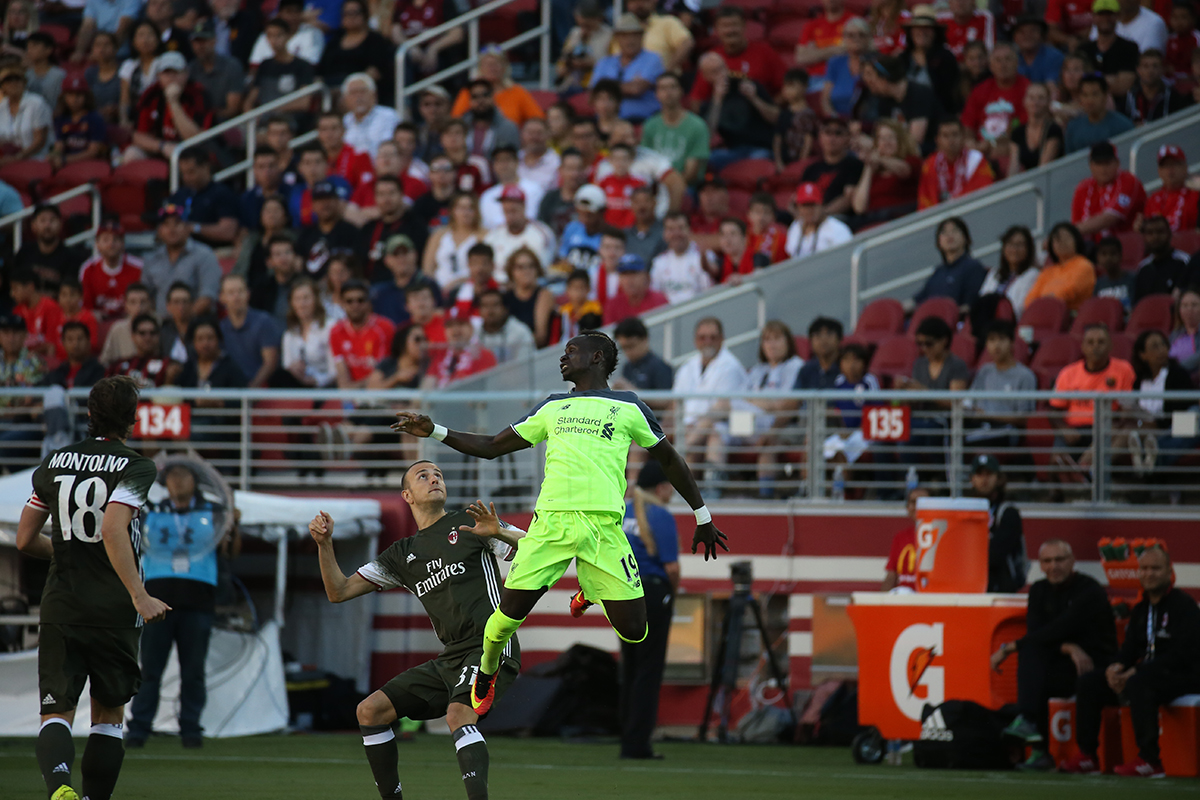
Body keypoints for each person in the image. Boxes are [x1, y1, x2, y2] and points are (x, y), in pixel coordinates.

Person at [393, 328, 726, 715]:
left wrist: (702, 516)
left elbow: (670, 459)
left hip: (603, 530)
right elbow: (490, 448)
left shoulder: (629, 406)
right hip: (550, 525)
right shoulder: (551, 407)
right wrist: (433, 430)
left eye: (571, 351)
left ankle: (590, 586)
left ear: (597, 357)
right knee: (503, 622)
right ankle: (486, 672)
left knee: (636, 632)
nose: (562, 358)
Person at [309, 468, 526, 800]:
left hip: (491, 646)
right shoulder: (402, 554)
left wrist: (500, 531)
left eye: (438, 474)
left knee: (458, 714)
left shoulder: (471, 523)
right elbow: (338, 591)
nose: (434, 478)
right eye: (422, 476)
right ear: (407, 496)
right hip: (451, 656)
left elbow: (538, 548)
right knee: (369, 711)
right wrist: (325, 545)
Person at [15, 376, 165, 800]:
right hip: (115, 609)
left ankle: (60, 787)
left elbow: (25, 539)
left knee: (56, 712)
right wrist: (140, 594)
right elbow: (114, 529)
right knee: (109, 715)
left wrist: (65, 550)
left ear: (88, 413)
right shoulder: (137, 466)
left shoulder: (55, 463)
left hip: (63, 603)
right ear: (132, 419)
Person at [1060, 545, 1200, 778]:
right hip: (1145, 674)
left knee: (1139, 683)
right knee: (1090, 682)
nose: (1149, 573)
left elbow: (1182, 654)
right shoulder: (1141, 609)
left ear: (1169, 571)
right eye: (1144, 568)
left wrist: (1134, 671)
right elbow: (1129, 649)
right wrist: (1116, 668)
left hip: (1183, 676)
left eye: (1155, 568)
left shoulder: (1184, 606)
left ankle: (1149, 760)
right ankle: (1087, 756)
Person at [990, 540, 1117, 770]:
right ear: (1040, 565)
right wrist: (1067, 648)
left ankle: (1081, 752)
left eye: (1060, 560)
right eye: (1047, 561)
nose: (1054, 566)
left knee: (1035, 653)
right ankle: (1039, 749)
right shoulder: (1038, 590)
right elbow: (1038, 633)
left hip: (1095, 663)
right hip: (1065, 663)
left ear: (1072, 561)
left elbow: (1061, 627)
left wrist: (1009, 648)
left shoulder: (1090, 590)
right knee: (1035, 660)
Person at [127, 462, 226, 749]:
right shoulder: (150, 512)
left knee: (193, 671)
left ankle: (191, 729)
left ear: (195, 481)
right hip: (156, 600)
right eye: (173, 477)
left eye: (184, 476)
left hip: (198, 600)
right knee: (149, 671)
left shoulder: (215, 512)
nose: (178, 482)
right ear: (164, 482)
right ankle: (138, 729)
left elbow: (228, 550)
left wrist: (234, 528)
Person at [618, 460, 680, 760]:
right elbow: (671, 567)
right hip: (654, 593)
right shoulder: (661, 516)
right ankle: (638, 742)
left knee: (629, 668)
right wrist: (674, 595)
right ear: (661, 487)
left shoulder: (621, 514)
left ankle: (626, 735)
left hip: (623, 594)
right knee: (648, 671)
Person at [1049, 323, 1136, 473]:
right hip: (1074, 429)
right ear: (1082, 347)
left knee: (1125, 430)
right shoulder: (1068, 373)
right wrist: (1065, 429)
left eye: (1101, 342)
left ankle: (1084, 469)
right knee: (1055, 463)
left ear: (1110, 346)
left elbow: (1126, 409)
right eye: (1090, 342)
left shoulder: (1123, 370)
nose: (1095, 347)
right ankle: (1065, 487)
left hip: (1106, 427)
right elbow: (1053, 410)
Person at [673, 317, 750, 486]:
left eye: (713, 337)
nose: (708, 341)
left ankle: (709, 486)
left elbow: (721, 410)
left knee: (712, 434)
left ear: (722, 339)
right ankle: (686, 498)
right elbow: (676, 404)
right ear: (695, 341)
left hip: (736, 425)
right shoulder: (688, 366)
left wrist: (693, 429)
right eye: (703, 337)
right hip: (693, 428)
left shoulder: (731, 366)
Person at [125, 52, 213, 164]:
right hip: (160, 147)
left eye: (176, 72)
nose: (171, 77)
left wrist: (173, 102)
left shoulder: (198, 95)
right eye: (166, 73)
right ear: (159, 76)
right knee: (132, 153)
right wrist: (162, 146)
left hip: (190, 151)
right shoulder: (151, 94)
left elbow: (196, 139)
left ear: (186, 74)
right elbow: (137, 136)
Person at [142, 203, 223, 317]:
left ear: (187, 227)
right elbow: (145, 296)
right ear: (159, 230)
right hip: (160, 327)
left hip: (195, 325)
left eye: (177, 223)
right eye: (166, 224)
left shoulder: (204, 255)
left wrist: (182, 323)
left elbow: (208, 297)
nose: (171, 229)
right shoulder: (151, 259)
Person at [317, 0, 395, 107]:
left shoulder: (375, 40)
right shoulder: (334, 42)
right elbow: (320, 72)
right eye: (347, 13)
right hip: (331, 91)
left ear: (365, 14)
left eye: (355, 12)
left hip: (359, 90)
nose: (351, 17)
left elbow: (375, 71)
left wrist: (348, 90)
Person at [968, 455, 1028, 593]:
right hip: (973, 587)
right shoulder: (966, 511)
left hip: (1003, 589)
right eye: (979, 474)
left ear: (999, 478)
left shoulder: (1008, 512)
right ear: (972, 479)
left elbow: (995, 555)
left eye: (989, 474)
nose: (984, 479)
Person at [591, 14, 664, 123]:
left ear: (641, 37)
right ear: (617, 38)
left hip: (641, 120)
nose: (630, 40)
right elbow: (593, 92)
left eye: (635, 35)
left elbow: (636, 89)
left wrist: (606, 87)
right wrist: (627, 85)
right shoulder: (605, 62)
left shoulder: (652, 59)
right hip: (606, 121)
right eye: (624, 36)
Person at [968, 320, 1038, 434]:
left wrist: (989, 416)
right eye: (991, 340)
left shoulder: (1025, 376)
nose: (996, 345)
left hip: (1007, 430)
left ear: (1012, 343)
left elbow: (1025, 419)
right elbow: (972, 404)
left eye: (1001, 339)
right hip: (980, 426)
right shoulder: (984, 371)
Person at [850, 119, 922, 228]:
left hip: (901, 221)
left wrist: (878, 157)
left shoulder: (911, 160)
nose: (886, 142)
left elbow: (903, 170)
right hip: (873, 223)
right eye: (882, 138)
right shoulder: (874, 170)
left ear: (900, 140)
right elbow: (859, 207)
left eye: (891, 137)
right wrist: (869, 166)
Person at [1072, 142, 1147, 244]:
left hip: (1125, 245)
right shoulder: (1082, 188)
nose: (1103, 169)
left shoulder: (1128, 181)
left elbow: (1110, 218)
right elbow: (1076, 222)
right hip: (1091, 247)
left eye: (1107, 163)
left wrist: (1068, 232)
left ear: (1117, 163)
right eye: (1098, 163)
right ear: (1091, 165)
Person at [642, 72, 709, 186]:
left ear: (681, 91)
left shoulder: (697, 125)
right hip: (656, 186)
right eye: (663, 88)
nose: (668, 92)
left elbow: (691, 173)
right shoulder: (650, 125)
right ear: (656, 94)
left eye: (673, 87)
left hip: (687, 187)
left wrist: (672, 187)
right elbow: (646, 162)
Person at [960, 42, 1030, 152]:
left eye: (1008, 59)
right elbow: (968, 126)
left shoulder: (1027, 88)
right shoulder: (979, 90)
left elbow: (1025, 128)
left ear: (1017, 63)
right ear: (991, 66)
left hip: (1012, 148)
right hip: (981, 149)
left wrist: (993, 145)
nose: (1003, 65)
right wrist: (971, 143)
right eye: (998, 60)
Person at [243, 17, 318, 119]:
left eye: (278, 35)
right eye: (270, 35)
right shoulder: (265, 65)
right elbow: (251, 99)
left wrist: (270, 110)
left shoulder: (302, 66)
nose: (274, 40)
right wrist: (251, 115)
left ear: (288, 36)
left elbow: (304, 103)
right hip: (264, 122)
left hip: (290, 121)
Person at [217, 275, 281, 389]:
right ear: (222, 297)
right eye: (231, 292)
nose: (236, 296)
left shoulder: (263, 321)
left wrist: (251, 388)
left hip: (260, 390)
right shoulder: (219, 328)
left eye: (240, 291)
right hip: (230, 391)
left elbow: (270, 362)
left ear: (248, 294)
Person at [331, 279, 396, 390]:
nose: (355, 305)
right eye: (349, 301)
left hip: (381, 390)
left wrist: (352, 389)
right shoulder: (336, 331)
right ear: (342, 304)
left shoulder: (385, 327)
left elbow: (384, 372)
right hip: (351, 394)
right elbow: (342, 373)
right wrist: (348, 390)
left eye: (360, 300)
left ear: (368, 302)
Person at [917, 117, 995, 209]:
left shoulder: (976, 160)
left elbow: (984, 192)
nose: (951, 140)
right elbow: (925, 201)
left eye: (955, 135)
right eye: (945, 136)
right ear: (937, 140)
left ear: (963, 137)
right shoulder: (930, 164)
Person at [168, 150, 241, 248]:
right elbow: (167, 222)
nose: (186, 178)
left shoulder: (222, 193)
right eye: (183, 173)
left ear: (206, 167)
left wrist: (194, 228)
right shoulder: (179, 194)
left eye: (191, 172)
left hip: (213, 252)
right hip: (181, 252)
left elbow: (228, 232)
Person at [297, 180, 368, 279]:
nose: (325, 204)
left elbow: (358, 265)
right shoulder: (306, 234)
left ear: (338, 202)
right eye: (320, 200)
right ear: (312, 205)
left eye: (329, 199)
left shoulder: (351, 232)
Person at [912, 217, 987, 310]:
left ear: (966, 238)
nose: (949, 235)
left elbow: (971, 306)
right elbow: (917, 301)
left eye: (954, 230)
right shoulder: (938, 272)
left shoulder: (973, 267)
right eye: (944, 232)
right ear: (938, 242)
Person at [13, 204, 87, 292]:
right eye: (42, 220)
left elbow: (72, 295)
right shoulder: (24, 253)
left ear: (60, 224)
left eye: (52, 220)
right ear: (33, 225)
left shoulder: (73, 257)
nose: (47, 225)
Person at [1026, 222, 1097, 313]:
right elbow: (1029, 300)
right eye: (1057, 239)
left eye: (1066, 238)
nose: (1062, 242)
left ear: (1076, 240)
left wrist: (1045, 301)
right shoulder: (1048, 271)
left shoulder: (1084, 265)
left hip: (1072, 317)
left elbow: (1069, 292)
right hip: (1045, 314)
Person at [484, 185, 556, 272]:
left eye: (513, 210)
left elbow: (542, 269)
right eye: (506, 211)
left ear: (523, 207)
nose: (509, 216)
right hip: (497, 284)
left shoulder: (541, 233)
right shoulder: (493, 235)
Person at [801, 118, 863, 218]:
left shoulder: (855, 165)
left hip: (839, 220)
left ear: (848, 138)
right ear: (820, 137)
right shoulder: (811, 169)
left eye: (838, 133)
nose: (832, 138)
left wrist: (822, 215)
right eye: (827, 132)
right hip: (811, 220)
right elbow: (799, 199)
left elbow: (848, 199)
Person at [425, 191, 485, 293]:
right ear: (453, 211)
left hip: (470, 290)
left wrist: (458, 283)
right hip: (439, 291)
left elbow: (484, 269)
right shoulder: (439, 235)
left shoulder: (483, 236)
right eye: (461, 208)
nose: (465, 213)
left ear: (476, 211)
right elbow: (428, 269)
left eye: (470, 208)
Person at [186, 20, 243, 124]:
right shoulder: (189, 69)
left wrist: (206, 117)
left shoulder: (231, 66)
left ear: (214, 41)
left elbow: (232, 110)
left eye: (203, 41)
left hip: (227, 125)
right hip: (197, 124)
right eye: (196, 42)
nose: (199, 46)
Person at [1081, 0, 1140, 97]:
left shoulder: (1129, 48)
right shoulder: (1084, 49)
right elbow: (1077, 83)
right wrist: (1112, 79)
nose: (1105, 18)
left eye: (1109, 14)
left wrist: (1091, 78)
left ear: (1118, 16)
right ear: (1094, 17)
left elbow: (1124, 86)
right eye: (1101, 14)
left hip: (1121, 107)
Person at [979, 226, 1040, 318]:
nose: (1014, 249)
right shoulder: (994, 273)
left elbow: (1019, 307)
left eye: (1020, 245)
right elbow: (982, 298)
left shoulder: (1033, 274)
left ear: (1029, 249)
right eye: (1010, 244)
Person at [1118, 48, 1192, 125]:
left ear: (1162, 70)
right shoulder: (1129, 97)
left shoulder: (1173, 97)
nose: (1150, 71)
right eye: (1146, 66)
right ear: (1138, 70)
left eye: (1155, 66)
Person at [1064, 74, 1135, 154]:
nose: (1090, 100)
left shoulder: (1123, 126)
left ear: (1105, 96)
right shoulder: (1072, 128)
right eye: (1085, 95)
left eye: (1095, 94)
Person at [651, 213, 712, 305]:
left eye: (681, 228)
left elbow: (709, 291)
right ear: (664, 234)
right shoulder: (659, 262)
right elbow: (655, 295)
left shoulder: (704, 255)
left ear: (689, 230)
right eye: (671, 229)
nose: (676, 234)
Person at [479, 148, 544, 232]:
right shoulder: (487, 196)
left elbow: (536, 221)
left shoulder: (534, 189)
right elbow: (484, 227)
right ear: (493, 166)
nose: (503, 165)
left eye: (507, 159)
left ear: (517, 162)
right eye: (499, 161)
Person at [49, 75, 107, 170]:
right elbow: (59, 145)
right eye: (70, 94)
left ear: (86, 96)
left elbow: (93, 152)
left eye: (78, 95)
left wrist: (65, 160)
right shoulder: (61, 118)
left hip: (89, 166)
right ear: (64, 97)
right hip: (67, 165)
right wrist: (54, 155)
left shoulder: (95, 118)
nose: (74, 99)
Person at [1134, 214, 1195, 303]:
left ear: (1169, 234)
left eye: (1160, 232)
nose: (1155, 237)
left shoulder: (1185, 261)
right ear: (1144, 237)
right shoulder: (1142, 267)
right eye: (1150, 233)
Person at [1007, 83, 1063, 176]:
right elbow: (1013, 167)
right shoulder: (1017, 133)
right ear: (1024, 101)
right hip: (1026, 184)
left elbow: (1044, 168)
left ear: (1048, 102)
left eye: (1040, 98)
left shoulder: (1053, 130)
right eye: (1031, 98)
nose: (1035, 102)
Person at [786, 183, 853, 259]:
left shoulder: (838, 229)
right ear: (798, 207)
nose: (809, 210)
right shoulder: (795, 227)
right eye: (805, 205)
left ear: (821, 204)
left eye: (813, 205)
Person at [882, 487, 931, 590]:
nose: (918, 507)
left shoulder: (939, 535)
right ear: (908, 508)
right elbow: (892, 575)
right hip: (903, 598)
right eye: (913, 502)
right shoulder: (900, 537)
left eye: (922, 503)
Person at [623, 0, 693, 72]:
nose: (639, 5)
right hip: (622, 79)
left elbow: (687, 43)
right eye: (633, 1)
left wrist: (666, 71)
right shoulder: (620, 28)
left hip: (660, 79)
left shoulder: (668, 22)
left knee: (666, 83)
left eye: (643, 1)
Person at [342, 73, 400, 160]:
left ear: (374, 94)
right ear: (345, 99)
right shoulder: (345, 121)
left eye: (363, 91)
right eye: (353, 93)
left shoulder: (389, 116)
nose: (358, 96)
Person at [0, 63, 51, 162]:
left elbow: (40, 141)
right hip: (5, 160)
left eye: (17, 79)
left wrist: (17, 158)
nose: (13, 83)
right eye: (8, 81)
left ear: (24, 83)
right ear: (2, 86)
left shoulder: (37, 103)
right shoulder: (1, 107)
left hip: (35, 159)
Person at [822, 17, 871, 118]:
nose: (856, 39)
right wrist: (833, 118)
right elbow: (825, 99)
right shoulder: (835, 62)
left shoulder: (876, 61)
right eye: (851, 35)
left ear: (868, 38)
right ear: (844, 38)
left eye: (861, 35)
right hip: (838, 121)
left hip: (867, 121)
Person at [1144, 144, 1198, 232]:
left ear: (1185, 168)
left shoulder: (1195, 195)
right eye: (1165, 166)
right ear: (1159, 172)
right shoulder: (1152, 200)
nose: (1170, 170)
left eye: (1174, 164)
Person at [795, 0, 853, 81]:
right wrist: (834, 50)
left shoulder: (853, 22)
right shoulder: (811, 25)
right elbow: (801, 57)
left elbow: (852, 49)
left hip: (843, 76)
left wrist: (816, 52)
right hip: (814, 78)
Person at [613, 317, 674, 391]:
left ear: (644, 339)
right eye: (623, 348)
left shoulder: (660, 367)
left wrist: (633, 391)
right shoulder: (627, 367)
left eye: (631, 346)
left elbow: (668, 400)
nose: (628, 352)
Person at [99, 283, 152, 367]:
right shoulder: (118, 328)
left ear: (150, 303)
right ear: (126, 305)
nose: (139, 307)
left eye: (143, 302)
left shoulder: (160, 325)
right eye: (133, 302)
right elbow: (105, 361)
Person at [477, 289, 535, 364]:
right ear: (479, 310)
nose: (490, 311)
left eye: (495, 305)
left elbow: (527, 366)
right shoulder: (474, 333)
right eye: (485, 306)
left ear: (505, 309)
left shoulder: (520, 332)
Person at [41, 321, 104, 389]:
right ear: (63, 343)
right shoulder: (57, 373)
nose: (75, 344)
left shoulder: (98, 371)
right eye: (70, 339)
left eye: (80, 339)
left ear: (88, 341)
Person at [796, 317, 844, 390]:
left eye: (829, 334)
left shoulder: (847, 368)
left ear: (839, 339)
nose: (823, 339)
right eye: (818, 335)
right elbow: (795, 399)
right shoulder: (806, 370)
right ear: (810, 341)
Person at [1014, 16, 1064, 84]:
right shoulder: (1010, 57)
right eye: (1021, 32)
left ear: (1042, 35)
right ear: (1014, 37)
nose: (1027, 35)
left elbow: (1052, 86)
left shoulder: (1054, 56)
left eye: (1033, 31)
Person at [1093, 236, 1136, 310]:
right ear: (1098, 257)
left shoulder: (1132, 280)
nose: (1108, 258)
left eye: (1113, 254)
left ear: (1120, 256)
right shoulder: (1099, 284)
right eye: (1104, 254)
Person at [1170, 287, 1200, 373]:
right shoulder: (1174, 334)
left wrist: (1177, 369)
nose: (1189, 309)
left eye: (1194, 305)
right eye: (1185, 305)